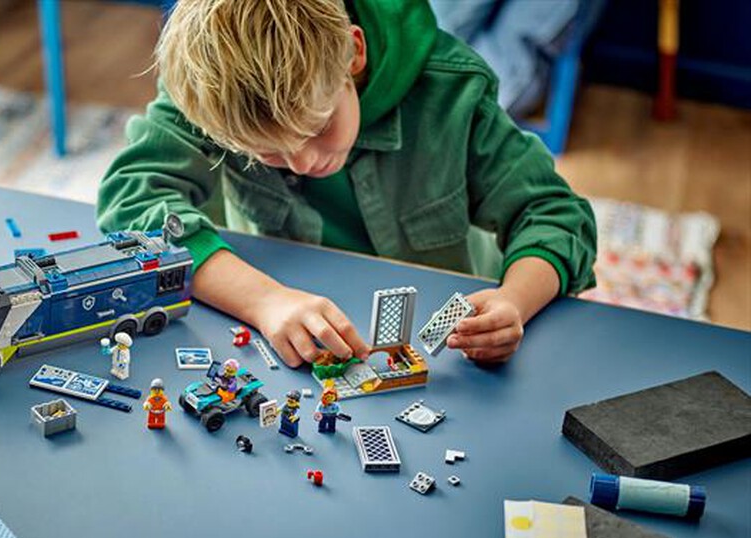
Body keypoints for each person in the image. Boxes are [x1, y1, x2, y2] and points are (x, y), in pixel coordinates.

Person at [98, 0, 596, 367]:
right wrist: (264, 300)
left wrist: (514, 300)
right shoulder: (212, 89)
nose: (302, 161)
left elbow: (553, 214)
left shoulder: (453, 90)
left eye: (318, 127)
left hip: (449, 349)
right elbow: (131, 198)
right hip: (287, 317)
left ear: (352, 55)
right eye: (267, 152)